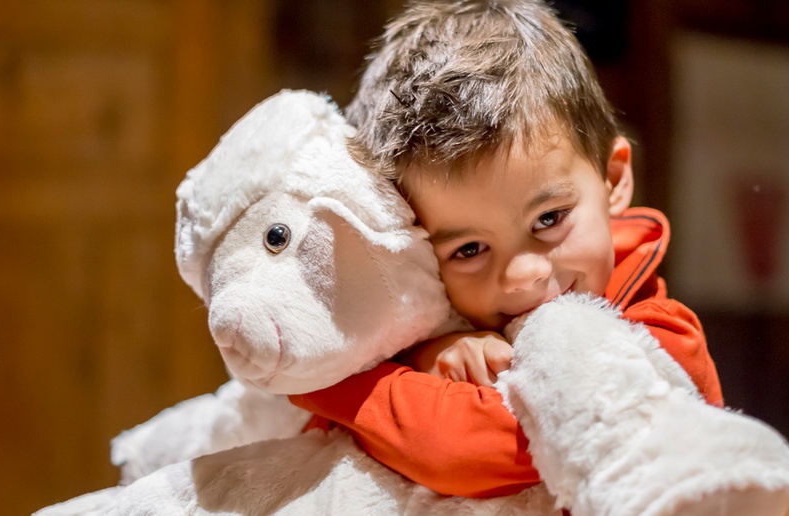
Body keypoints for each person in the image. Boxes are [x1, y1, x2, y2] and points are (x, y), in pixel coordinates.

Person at [289, 0, 723, 498]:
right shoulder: (436, 334)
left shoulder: (663, 342)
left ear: (613, 179)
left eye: (549, 219)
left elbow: (466, 450)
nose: (523, 275)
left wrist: (327, 384)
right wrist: (427, 355)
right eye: (470, 249)